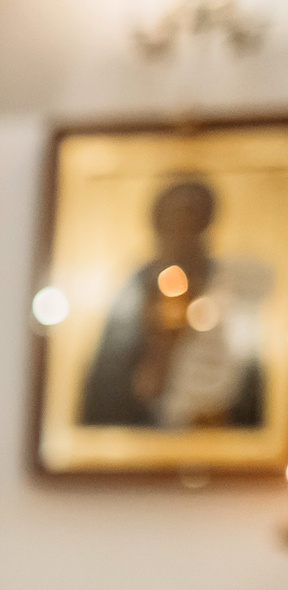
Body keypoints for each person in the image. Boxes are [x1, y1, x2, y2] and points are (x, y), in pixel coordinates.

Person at [79, 175, 271, 430]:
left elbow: (249, 379)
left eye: (192, 217)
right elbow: (109, 381)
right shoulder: (136, 287)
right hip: (145, 430)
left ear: (207, 223)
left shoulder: (230, 286)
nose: (182, 228)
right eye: (174, 218)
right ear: (158, 223)